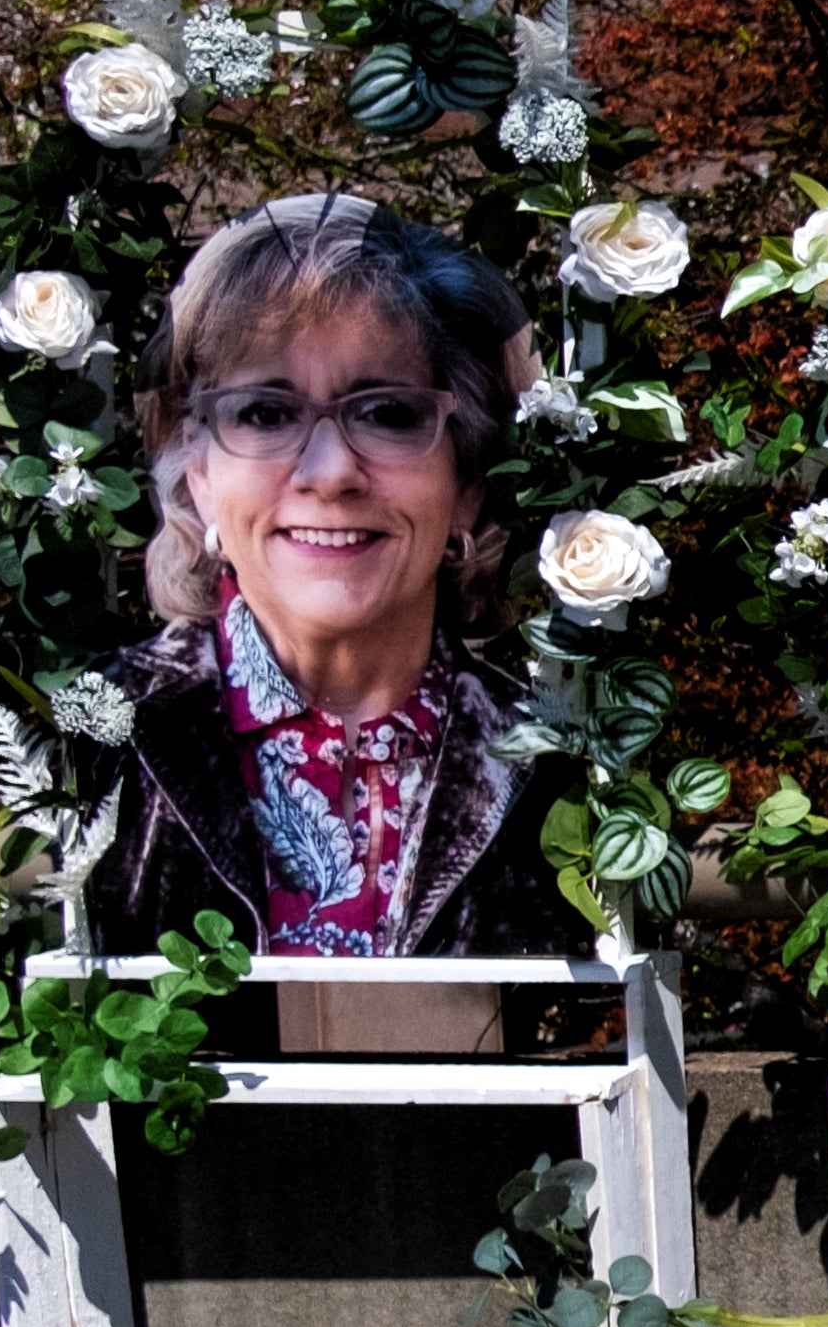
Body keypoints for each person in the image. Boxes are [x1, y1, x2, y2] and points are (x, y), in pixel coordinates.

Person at [85, 196, 576, 992]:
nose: (329, 472)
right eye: (265, 413)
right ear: (198, 474)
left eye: (387, 414)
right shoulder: (95, 738)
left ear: (468, 483)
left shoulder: (559, 764)